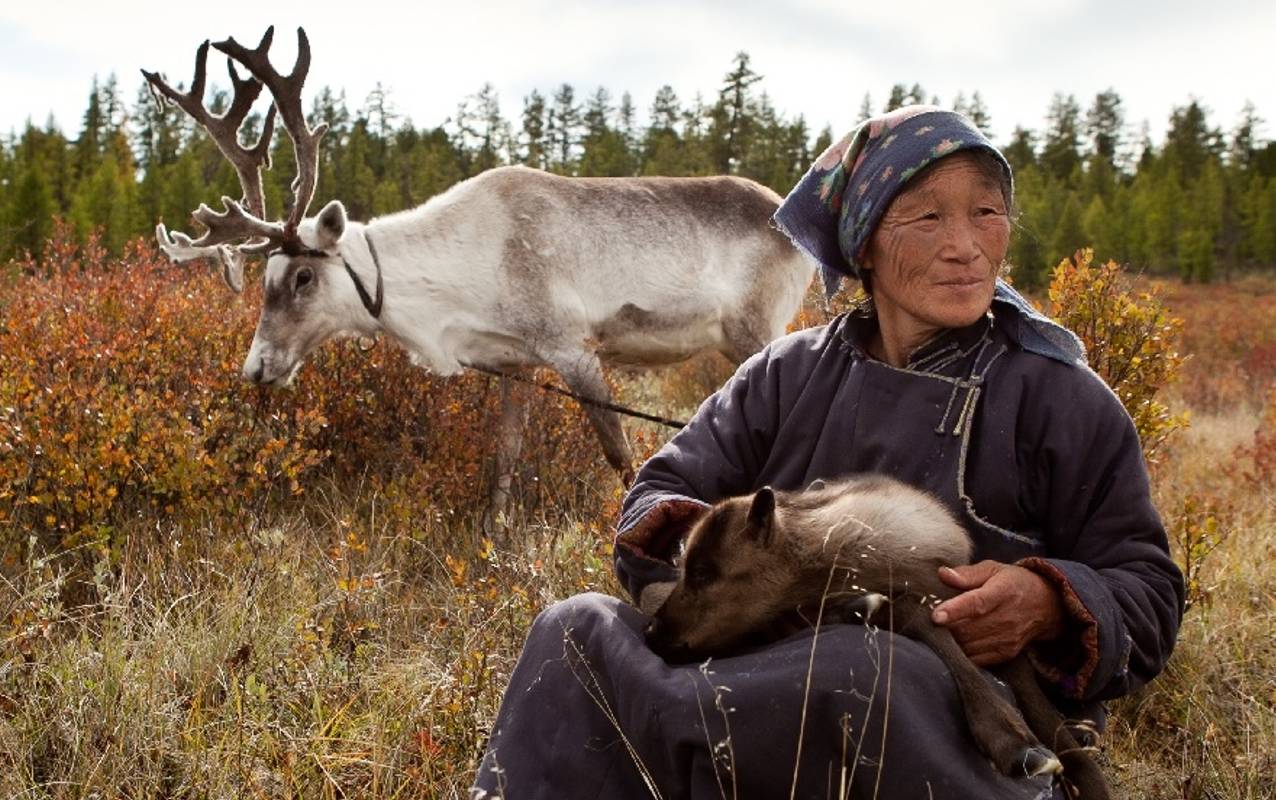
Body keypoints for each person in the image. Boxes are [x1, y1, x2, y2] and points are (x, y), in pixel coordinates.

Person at [470, 106, 1184, 800]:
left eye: (987, 212)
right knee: (575, 629)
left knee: (858, 666)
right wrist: (715, 578)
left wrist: (1051, 603)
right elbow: (661, 493)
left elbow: (1147, 589)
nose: (966, 244)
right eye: (930, 216)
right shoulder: (787, 374)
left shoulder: (1061, 399)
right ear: (865, 240)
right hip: (754, 675)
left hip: (955, 708)